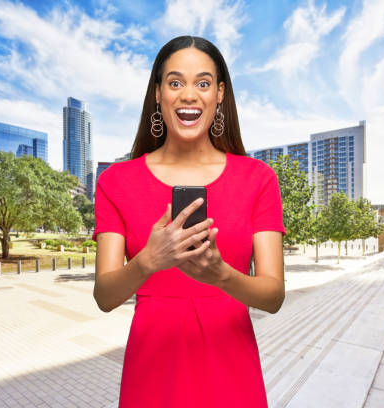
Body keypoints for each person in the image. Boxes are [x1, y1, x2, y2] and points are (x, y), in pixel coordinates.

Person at [92, 36, 285, 407]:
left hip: (233, 371)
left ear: (219, 94)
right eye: (175, 82)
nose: (189, 94)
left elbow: (273, 297)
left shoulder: (258, 178)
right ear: (158, 94)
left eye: (203, 83)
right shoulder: (116, 181)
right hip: (151, 373)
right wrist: (148, 261)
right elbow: (105, 296)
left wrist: (221, 275)